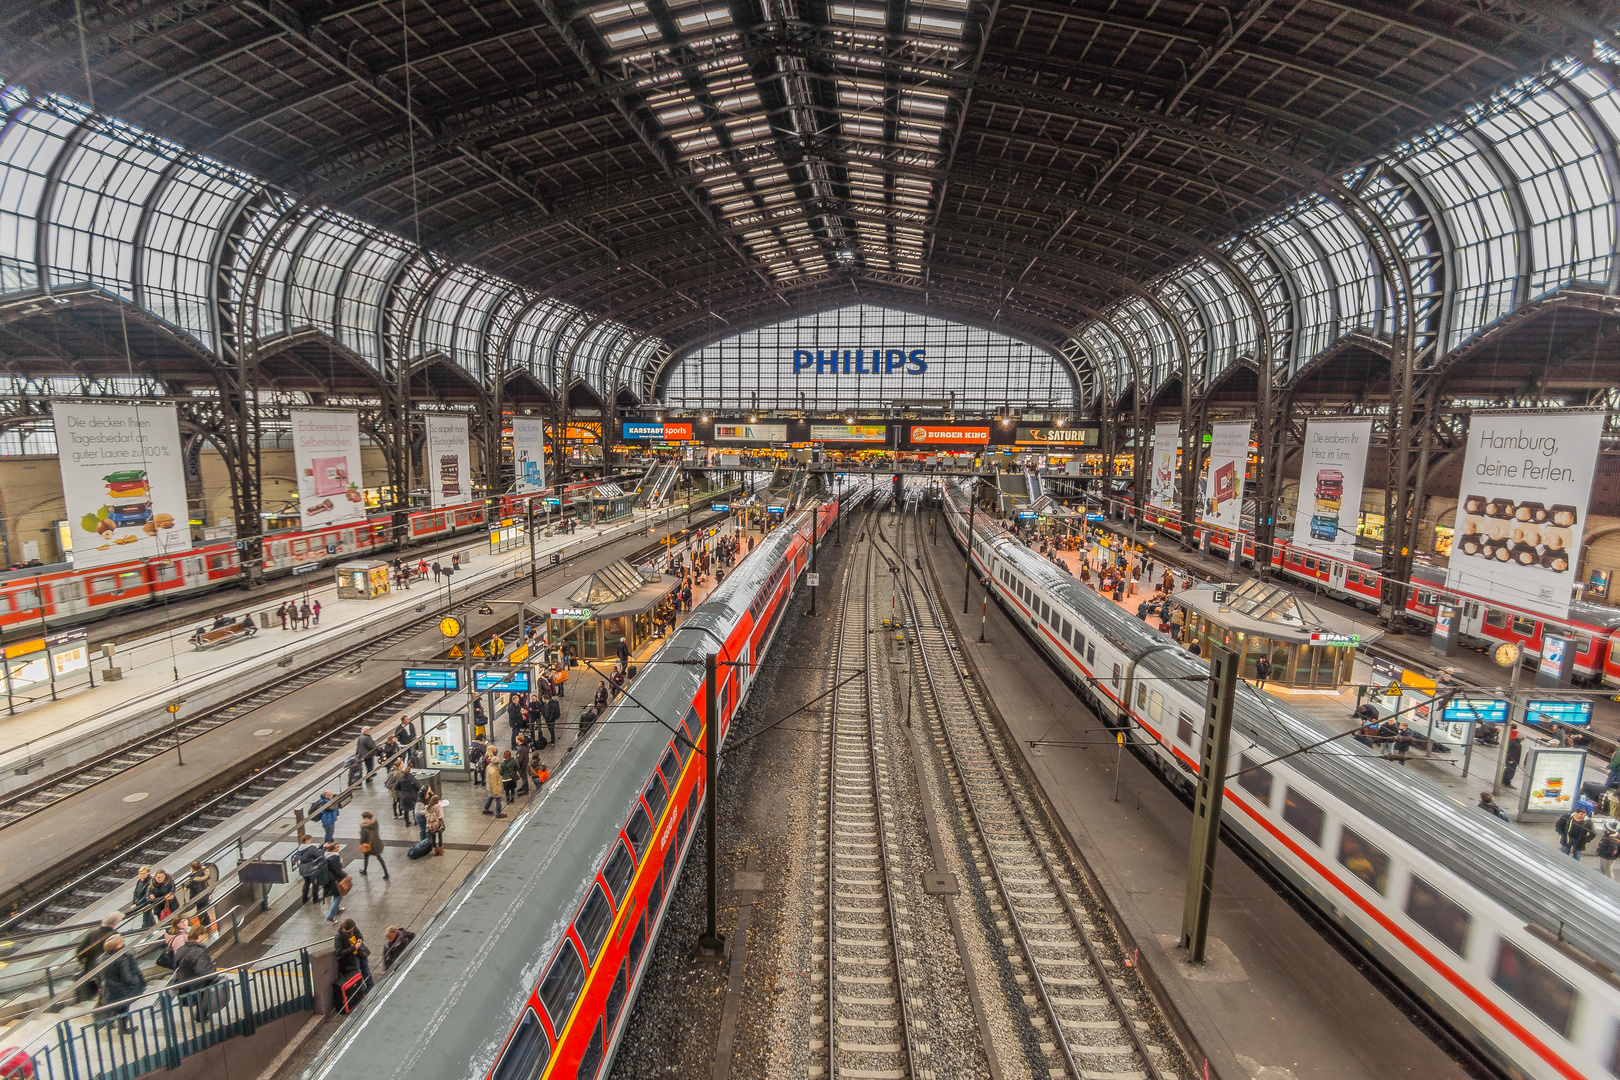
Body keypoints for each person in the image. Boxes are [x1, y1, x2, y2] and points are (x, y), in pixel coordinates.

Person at [96, 935, 146, 1032]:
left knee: (115, 1006)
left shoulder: (101, 958)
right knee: (123, 1008)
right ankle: (123, 1028)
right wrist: (137, 981)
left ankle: (109, 1022)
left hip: (109, 988)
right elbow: (127, 977)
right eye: (121, 942)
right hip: (122, 989)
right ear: (118, 945)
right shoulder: (123, 958)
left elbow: (99, 975)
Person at [168, 926, 219, 1020]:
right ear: (199, 936)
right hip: (196, 984)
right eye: (203, 935)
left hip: (184, 982)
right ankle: (201, 1016)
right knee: (209, 986)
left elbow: (176, 963)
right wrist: (213, 967)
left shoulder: (182, 948)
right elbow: (202, 970)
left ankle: (200, 1015)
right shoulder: (198, 951)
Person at [75, 914, 120, 1003]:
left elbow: (80, 952)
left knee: (94, 995)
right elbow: (120, 954)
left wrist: (85, 961)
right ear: (114, 923)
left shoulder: (92, 934)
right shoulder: (115, 936)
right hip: (108, 972)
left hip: (92, 970)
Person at [333, 918, 373, 991]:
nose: (352, 931)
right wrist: (354, 948)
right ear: (346, 929)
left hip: (360, 954)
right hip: (351, 958)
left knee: (365, 969)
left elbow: (359, 934)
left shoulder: (353, 928)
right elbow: (339, 952)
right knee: (357, 973)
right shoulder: (339, 937)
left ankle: (370, 985)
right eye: (351, 930)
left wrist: (360, 939)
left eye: (353, 929)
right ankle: (361, 989)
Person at [294, 834, 327, 904]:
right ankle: (315, 898)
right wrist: (324, 848)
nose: (310, 841)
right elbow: (320, 855)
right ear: (307, 840)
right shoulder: (311, 848)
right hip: (311, 868)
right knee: (315, 883)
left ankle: (304, 898)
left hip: (302, 868)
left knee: (306, 882)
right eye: (310, 839)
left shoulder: (300, 848)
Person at [358, 811, 389, 880]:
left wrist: (361, 842)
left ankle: (365, 870)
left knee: (366, 857)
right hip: (377, 843)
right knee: (379, 858)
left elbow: (363, 838)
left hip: (368, 845)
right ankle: (386, 873)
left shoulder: (364, 827)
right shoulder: (375, 823)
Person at [184, 859, 215, 925]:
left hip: (197, 899)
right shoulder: (203, 873)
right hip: (204, 896)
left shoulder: (194, 879)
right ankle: (206, 924)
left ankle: (205, 925)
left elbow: (191, 886)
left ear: (193, 868)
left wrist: (186, 886)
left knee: (200, 912)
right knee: (203, 911)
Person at [324, 843, 349, 921]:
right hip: (335, 880)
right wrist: (344, 875)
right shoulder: (334, 858)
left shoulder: (327, 855)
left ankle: (337, 910)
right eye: (337, 847)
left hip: (330, 879)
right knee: (338, 896)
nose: (338, 848)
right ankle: (330, 916)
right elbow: (337, 870)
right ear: (333, 849)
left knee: (335, 895)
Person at [423, 790, 445, 857]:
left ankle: (435, 849)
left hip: (431, 824)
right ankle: (440, 849)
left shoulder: (427, 807)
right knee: (440, 836)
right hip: (438, 823)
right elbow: (441, 815)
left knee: (433, 837)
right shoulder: (438, 807)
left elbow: (426, 815)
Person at [483, 753, 506, 817]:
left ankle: (485, 808)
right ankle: (498, 813)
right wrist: (496, 792)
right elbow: (493, 783)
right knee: (498, 800)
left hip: (489, 787)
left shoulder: (489, 766)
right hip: (494, 788)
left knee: (490, 797)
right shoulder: (494, 771)